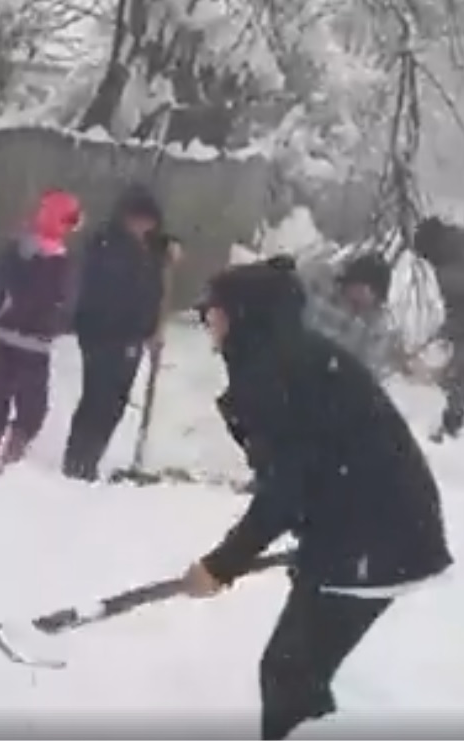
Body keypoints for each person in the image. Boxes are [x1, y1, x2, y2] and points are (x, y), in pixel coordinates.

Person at [182, 259, 452, 739]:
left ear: (242, 313)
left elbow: (285, 488)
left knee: (290, 674)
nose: (207, 319)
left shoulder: (277, 370)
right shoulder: (288, 357)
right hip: (374, 534)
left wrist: (222, 563)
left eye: (215, 309)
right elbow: (310, 470)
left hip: (374, 543)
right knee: (297, 675)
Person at [62, 184, 181, 481]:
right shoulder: (107, 246)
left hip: (133, 336)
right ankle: (78, 460)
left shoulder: (151, 248)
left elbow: (155, 276)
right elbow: (112, 291)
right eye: (136, 219)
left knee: (116, 400)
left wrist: (168, 248)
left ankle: (90, 458)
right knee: (98, 396)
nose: (142, 226)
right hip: (102, 332)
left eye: (148, 220)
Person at [0, 189, 83, 477]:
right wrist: (58, 320)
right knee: (27, 403)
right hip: (27, 339)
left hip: (13, 335)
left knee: (1, 398)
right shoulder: (51, 259)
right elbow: (63, 299)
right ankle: (6, 457)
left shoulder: (22, 251)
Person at [301, 250, 409, 379]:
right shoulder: (319, 288)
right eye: (353, 303)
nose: (354, 312)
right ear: (348, 282)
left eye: (361, 309)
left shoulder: (372, 329)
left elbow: (367, 370)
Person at [414, 216, 464, 440]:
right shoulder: (458, 242)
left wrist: (443, 333)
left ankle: (453, 421)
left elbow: (458, 313)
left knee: (458, 371)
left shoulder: (447, 273)